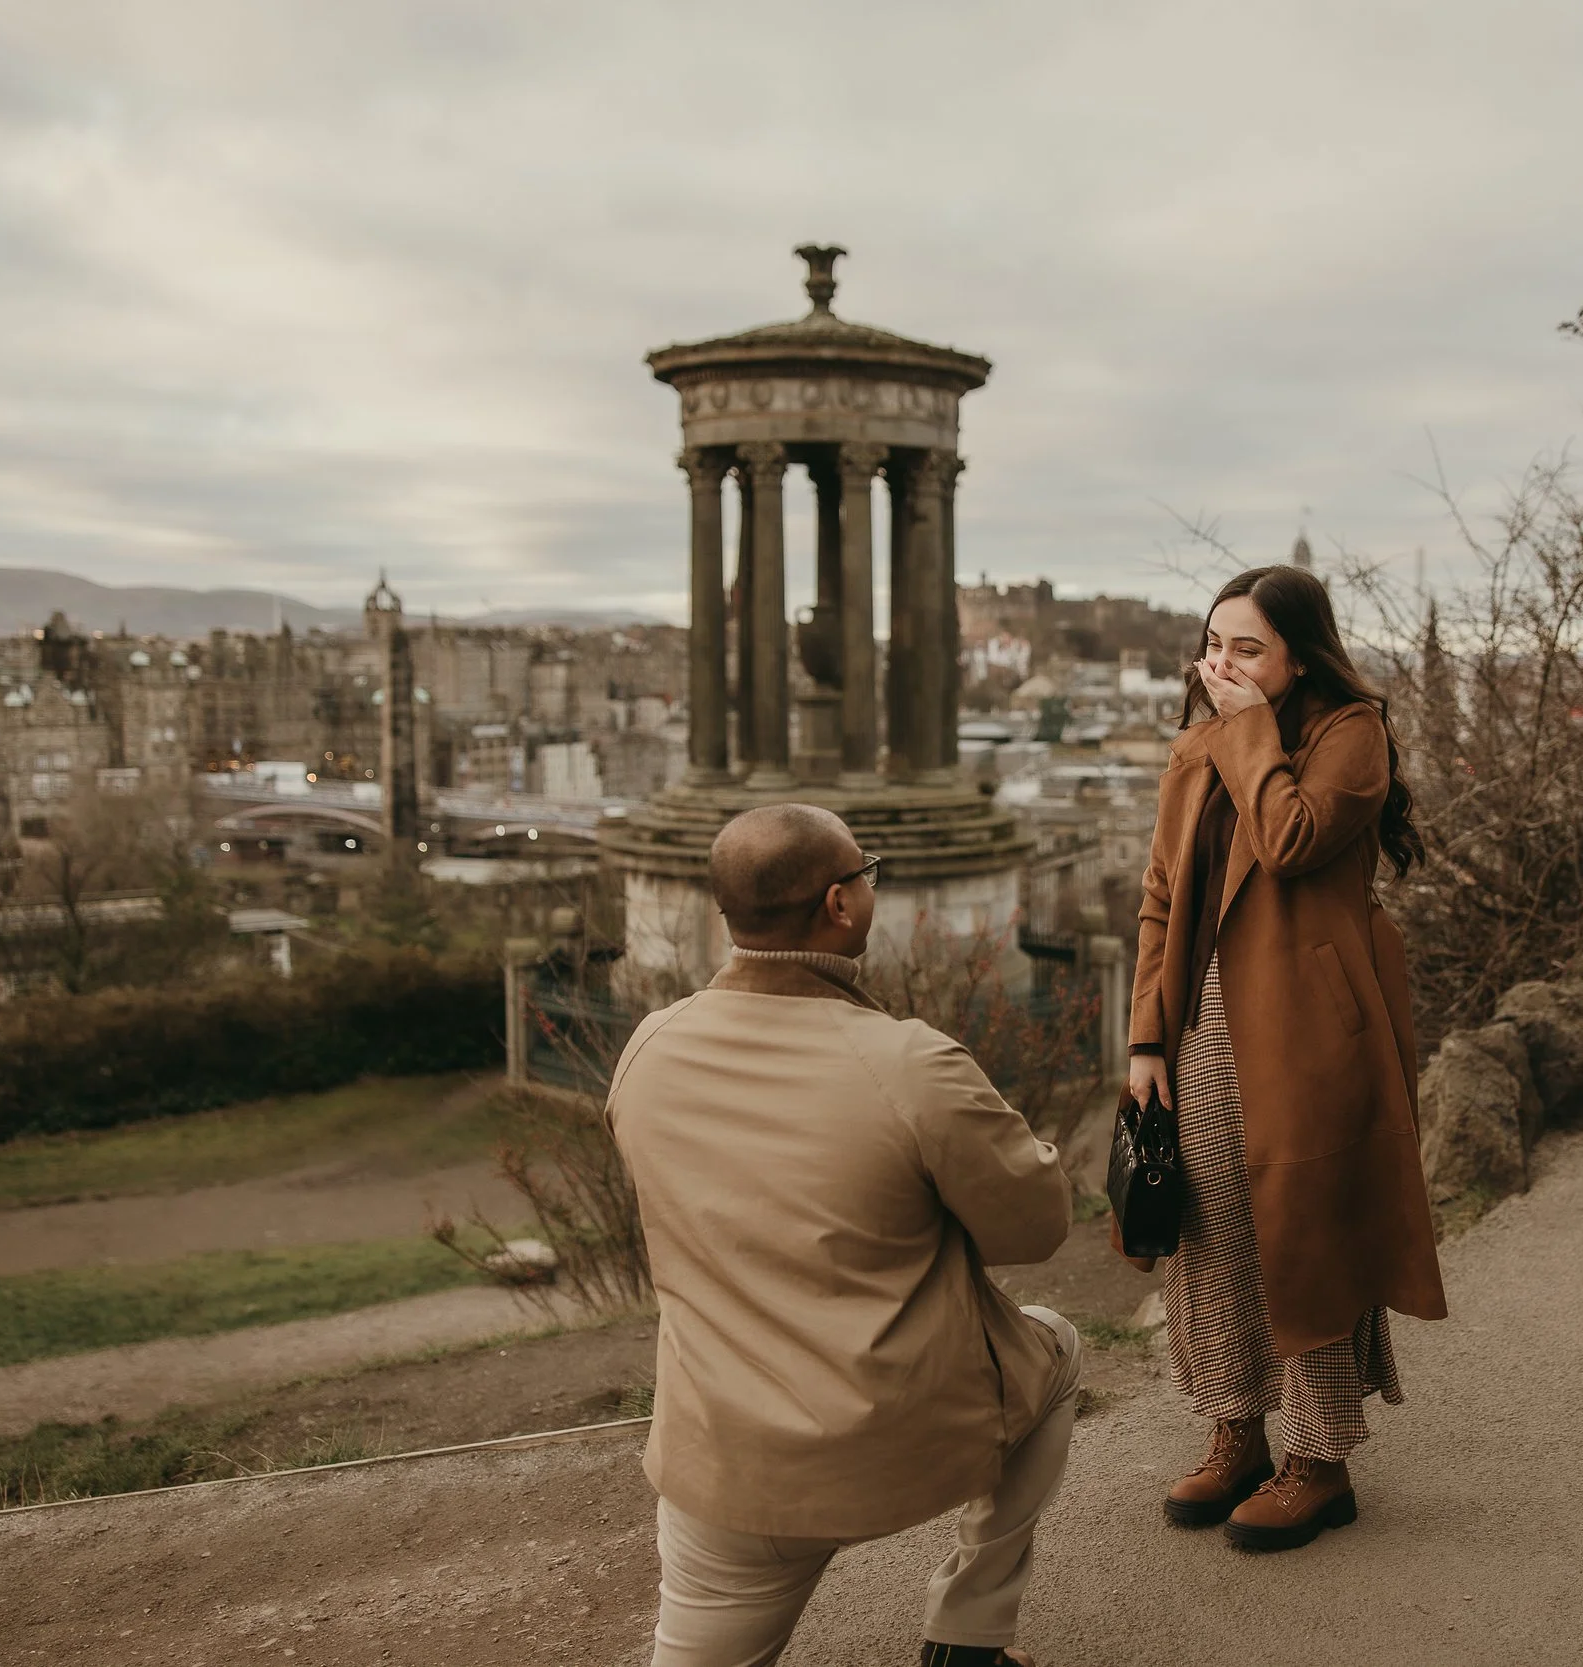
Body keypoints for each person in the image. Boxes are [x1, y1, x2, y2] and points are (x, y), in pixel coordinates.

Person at [606, 802, 1079, 1667]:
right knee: (1058, 1349)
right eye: (867, 873)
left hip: (725, 1466)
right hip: (891, 1439)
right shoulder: (907, 1062)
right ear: (839, 905)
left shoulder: (649, 1046)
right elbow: (1037, 1225)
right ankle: (968, 1635)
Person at [1123, 564, 1447, 1552]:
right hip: (1203, 1014)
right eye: (1214, 643)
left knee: (1302, 1227)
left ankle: (1320, 1456)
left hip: (1311, 1020)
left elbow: (1292, 836)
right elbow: (1159, 894)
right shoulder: (1197, 743)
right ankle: (1238, 1428)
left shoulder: (1351, 735)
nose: (1220, 663)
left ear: (1296, 655)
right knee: (1211, 1223)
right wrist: (1143, 1038)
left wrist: (1245, 727)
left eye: (1247, 647)